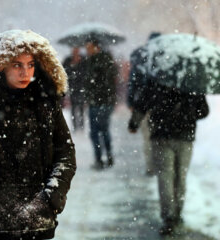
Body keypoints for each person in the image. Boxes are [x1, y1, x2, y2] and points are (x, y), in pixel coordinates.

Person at [0, 29, 76, 240]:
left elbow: (65, 153)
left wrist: (51, 198)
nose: (25, 72)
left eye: (30, 65)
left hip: (37, 222)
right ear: (1, 67)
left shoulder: (46, 103)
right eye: (17, 65)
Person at [128, 80, 209, 235]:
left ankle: (169, 217)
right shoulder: (192, 82)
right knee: (180, 176)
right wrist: (188, 112)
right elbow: (204, 111)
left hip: (161, 135)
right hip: (185, 137)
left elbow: (142, 104)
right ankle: (177, 214)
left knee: (165, 177)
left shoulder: (156, 79)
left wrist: (134, 123)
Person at [127, 32, 161, 176]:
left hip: (144, 104)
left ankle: (150, 166)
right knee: (159, 137)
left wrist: (131, 101)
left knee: (147, 137)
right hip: (162, 105)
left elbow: (133, 82)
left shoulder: (141, 59)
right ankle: (160, 164)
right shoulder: (165, 59)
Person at [84, 39, 118, 169]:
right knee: (103, 130)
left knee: (95, 132)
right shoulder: (108, 60)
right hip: (105, 101)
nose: (87, 50)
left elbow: (93, 82)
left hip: (98, 101)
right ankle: (108, 155)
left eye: (89, 47)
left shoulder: (95, 62)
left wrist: (90, 93)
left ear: (96, 47)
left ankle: (99, 158)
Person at [62, 47, 86, 131]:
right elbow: (64, 71)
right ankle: (75, 126)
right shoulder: (68, 60)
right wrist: (72, 65)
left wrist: (79, 64)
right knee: (73, 107)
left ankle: (81, 125)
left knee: (81, 107)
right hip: (72, 87)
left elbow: (85, 72)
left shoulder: (83, 59)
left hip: (81, 87)